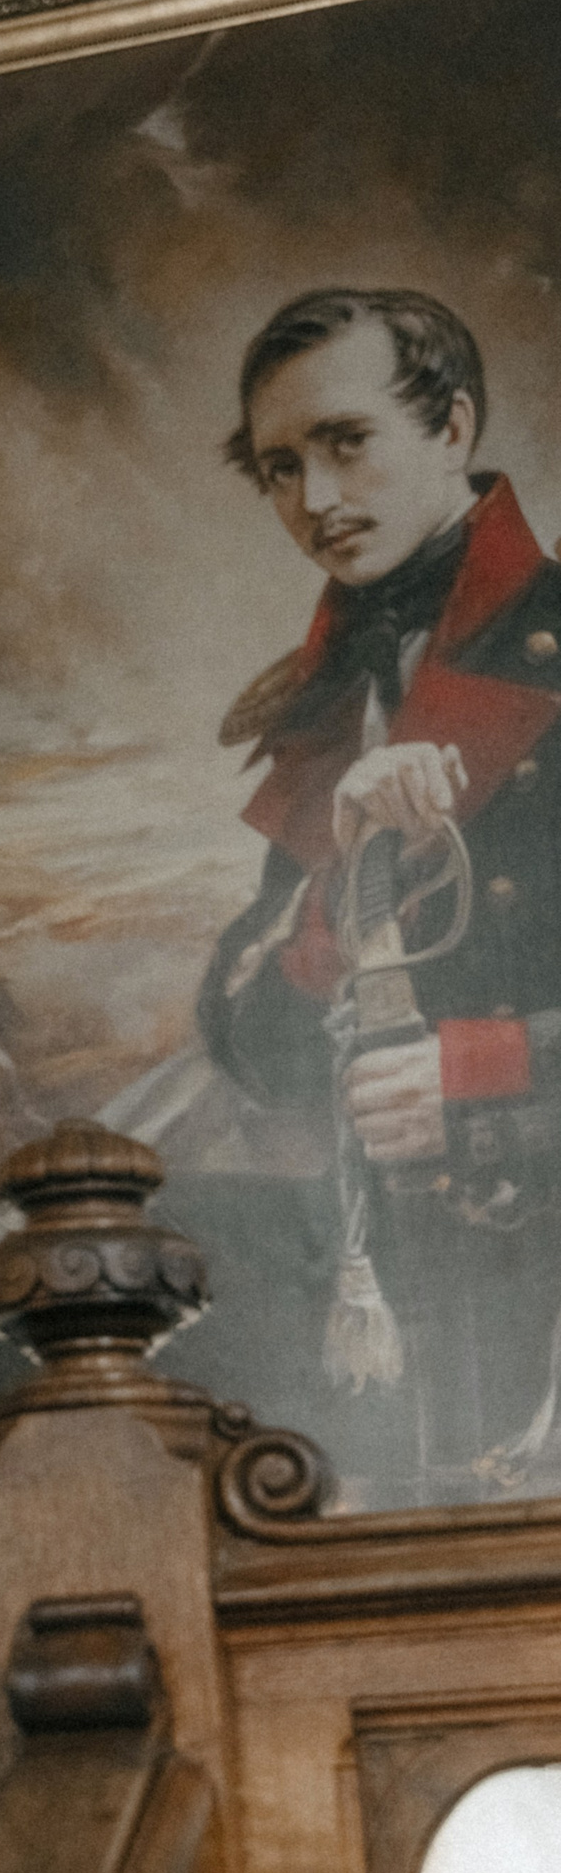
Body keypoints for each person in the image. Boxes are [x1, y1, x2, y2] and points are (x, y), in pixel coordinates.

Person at [200, 287, 561, 1486]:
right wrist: (342, 890)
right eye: (280, 467)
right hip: (406, 1289)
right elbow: (255, 1045)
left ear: (452, 427)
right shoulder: (331, 693)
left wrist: (479, 1068)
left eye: (346, 442)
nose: (315, 499)